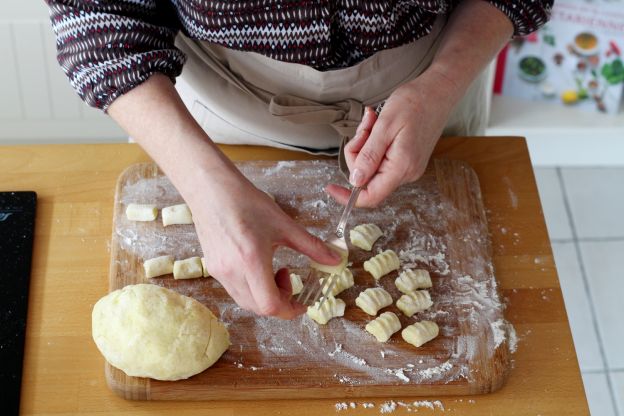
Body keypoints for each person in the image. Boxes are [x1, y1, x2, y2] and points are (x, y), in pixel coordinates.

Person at [47, 0, 551, 319]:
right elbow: (98, 19)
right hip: (216, 107)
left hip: (438, 72)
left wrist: (442, 84)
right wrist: (203, 187)